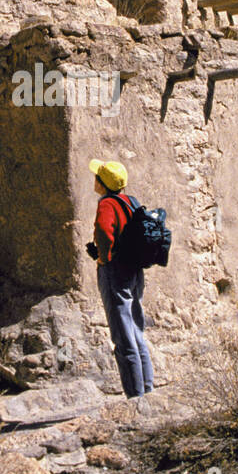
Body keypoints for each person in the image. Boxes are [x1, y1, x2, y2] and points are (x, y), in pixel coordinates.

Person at [87, 158, 154, 399]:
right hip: (135, 269)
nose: (94, 181)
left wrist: (103, 257)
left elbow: (105, 231)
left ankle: (136, 398)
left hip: (116, 270)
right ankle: (148, 391)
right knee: (136, 330)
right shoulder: (131, 202)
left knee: (122, 334)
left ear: (102, 183)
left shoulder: (107, 203)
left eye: (97, 178)